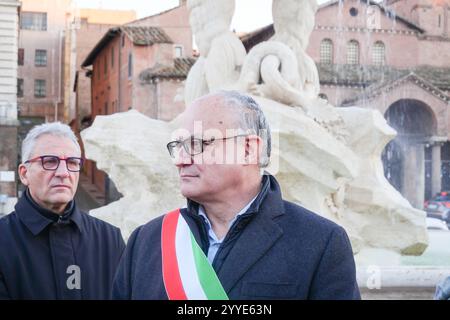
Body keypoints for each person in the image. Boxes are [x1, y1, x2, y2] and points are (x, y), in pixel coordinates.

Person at [113, 90, 360, 299]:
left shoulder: (320, 243)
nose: (180, 160)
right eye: (178, 146)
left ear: (248, 149)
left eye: (198, 144)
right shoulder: (146, 241)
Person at [0, 122, 125, 299]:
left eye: (72, 162)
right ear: (24, 174)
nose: (63, 172)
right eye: (50, 161)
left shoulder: (110, 239)